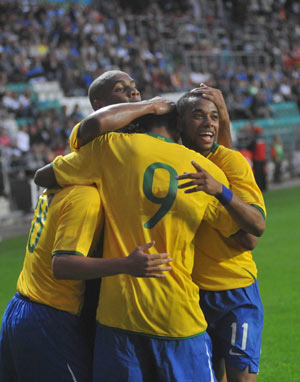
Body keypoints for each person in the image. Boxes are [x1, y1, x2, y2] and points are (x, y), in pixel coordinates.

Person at [35, 99, 249, 381]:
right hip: (176, 318)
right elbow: (246, 237)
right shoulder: (203, 170)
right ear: (179, 125)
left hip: (117, 318)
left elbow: (44, 176)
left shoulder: (110, 147)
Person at [0, 183, 173, 382]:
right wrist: (127, 264)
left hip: (20, 308)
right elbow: (63, 266)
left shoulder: (57, 185)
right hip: (49, 318)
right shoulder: (86, 196)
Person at [176, 86, 266, 382]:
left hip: (234, 290)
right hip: (193, 294)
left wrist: (219, 191)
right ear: (180, 123)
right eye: (198, 115)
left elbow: (256, 228)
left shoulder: (232, 162)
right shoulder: (171, 163)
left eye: (213, 117)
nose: (208, 122)